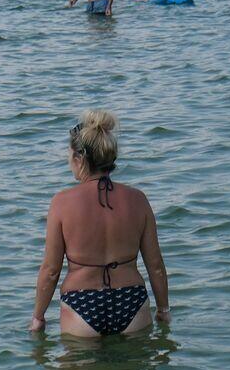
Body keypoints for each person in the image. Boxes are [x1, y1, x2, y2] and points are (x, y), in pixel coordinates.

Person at [29, 110, 170, 336]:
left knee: (78, 360)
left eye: (69, 155)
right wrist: (163, 309)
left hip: (81, 303)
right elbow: (155, 265)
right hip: (131, 301)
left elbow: (51, 270)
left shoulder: (61, 203)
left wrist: (38, 317)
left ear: (79, 159)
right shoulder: (138, 199)